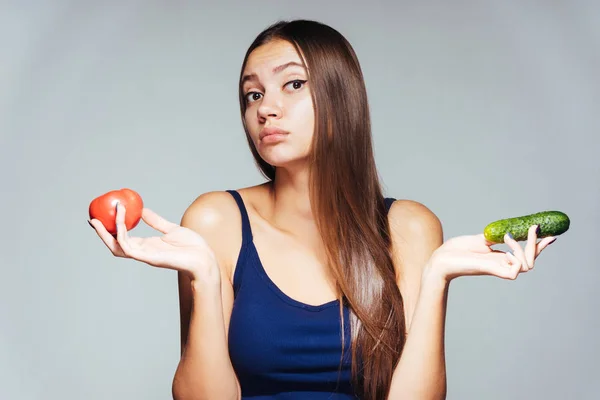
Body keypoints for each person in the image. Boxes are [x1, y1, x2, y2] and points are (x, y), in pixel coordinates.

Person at [89, 19, 557, 400]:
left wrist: (437, 278)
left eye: (292, 84)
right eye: (253, 94)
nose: (266, 109)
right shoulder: (216, 221)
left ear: (340, 98)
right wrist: (205, 280)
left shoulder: (411, 228)